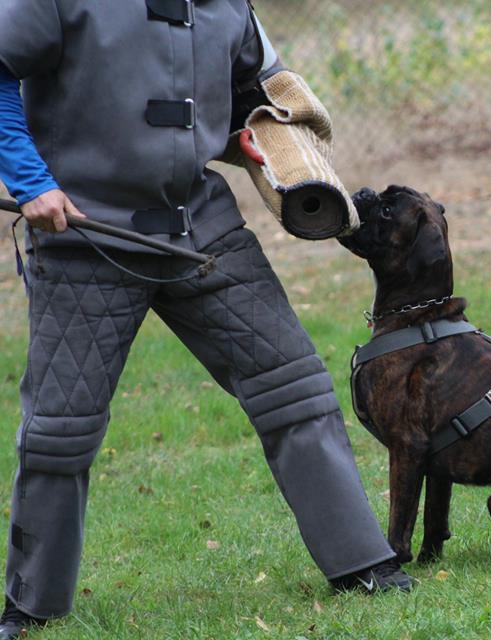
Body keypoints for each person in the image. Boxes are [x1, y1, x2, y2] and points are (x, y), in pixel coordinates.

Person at [0, 1, 411, 636]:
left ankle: (365, 564)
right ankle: (31, 607)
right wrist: (30, 182)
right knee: (62, 431)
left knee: (293, 387)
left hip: (200, 230)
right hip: (88, 231)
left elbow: (256, 91)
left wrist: (258, 139)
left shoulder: (227, 6)